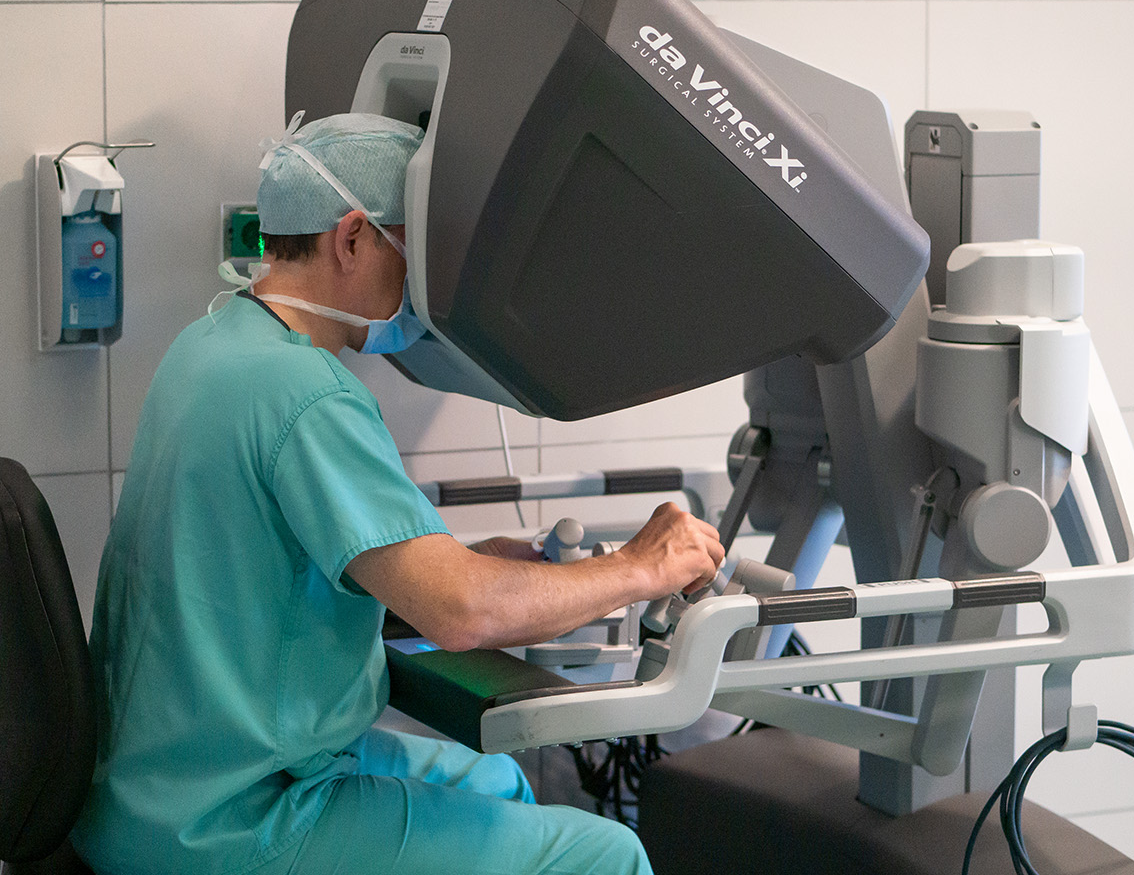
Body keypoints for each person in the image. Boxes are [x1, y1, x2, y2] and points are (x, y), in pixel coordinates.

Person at [70, 111, 724, 875]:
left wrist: (470, 565)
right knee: (606, 856)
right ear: (352, 239)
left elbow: (266, 572)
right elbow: (462, 613)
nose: (424, 286)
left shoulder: (210, 345)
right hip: (233, 819)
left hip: (158, 783)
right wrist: (641, 568)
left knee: (502, 783)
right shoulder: (308, 396)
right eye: (413, 251)